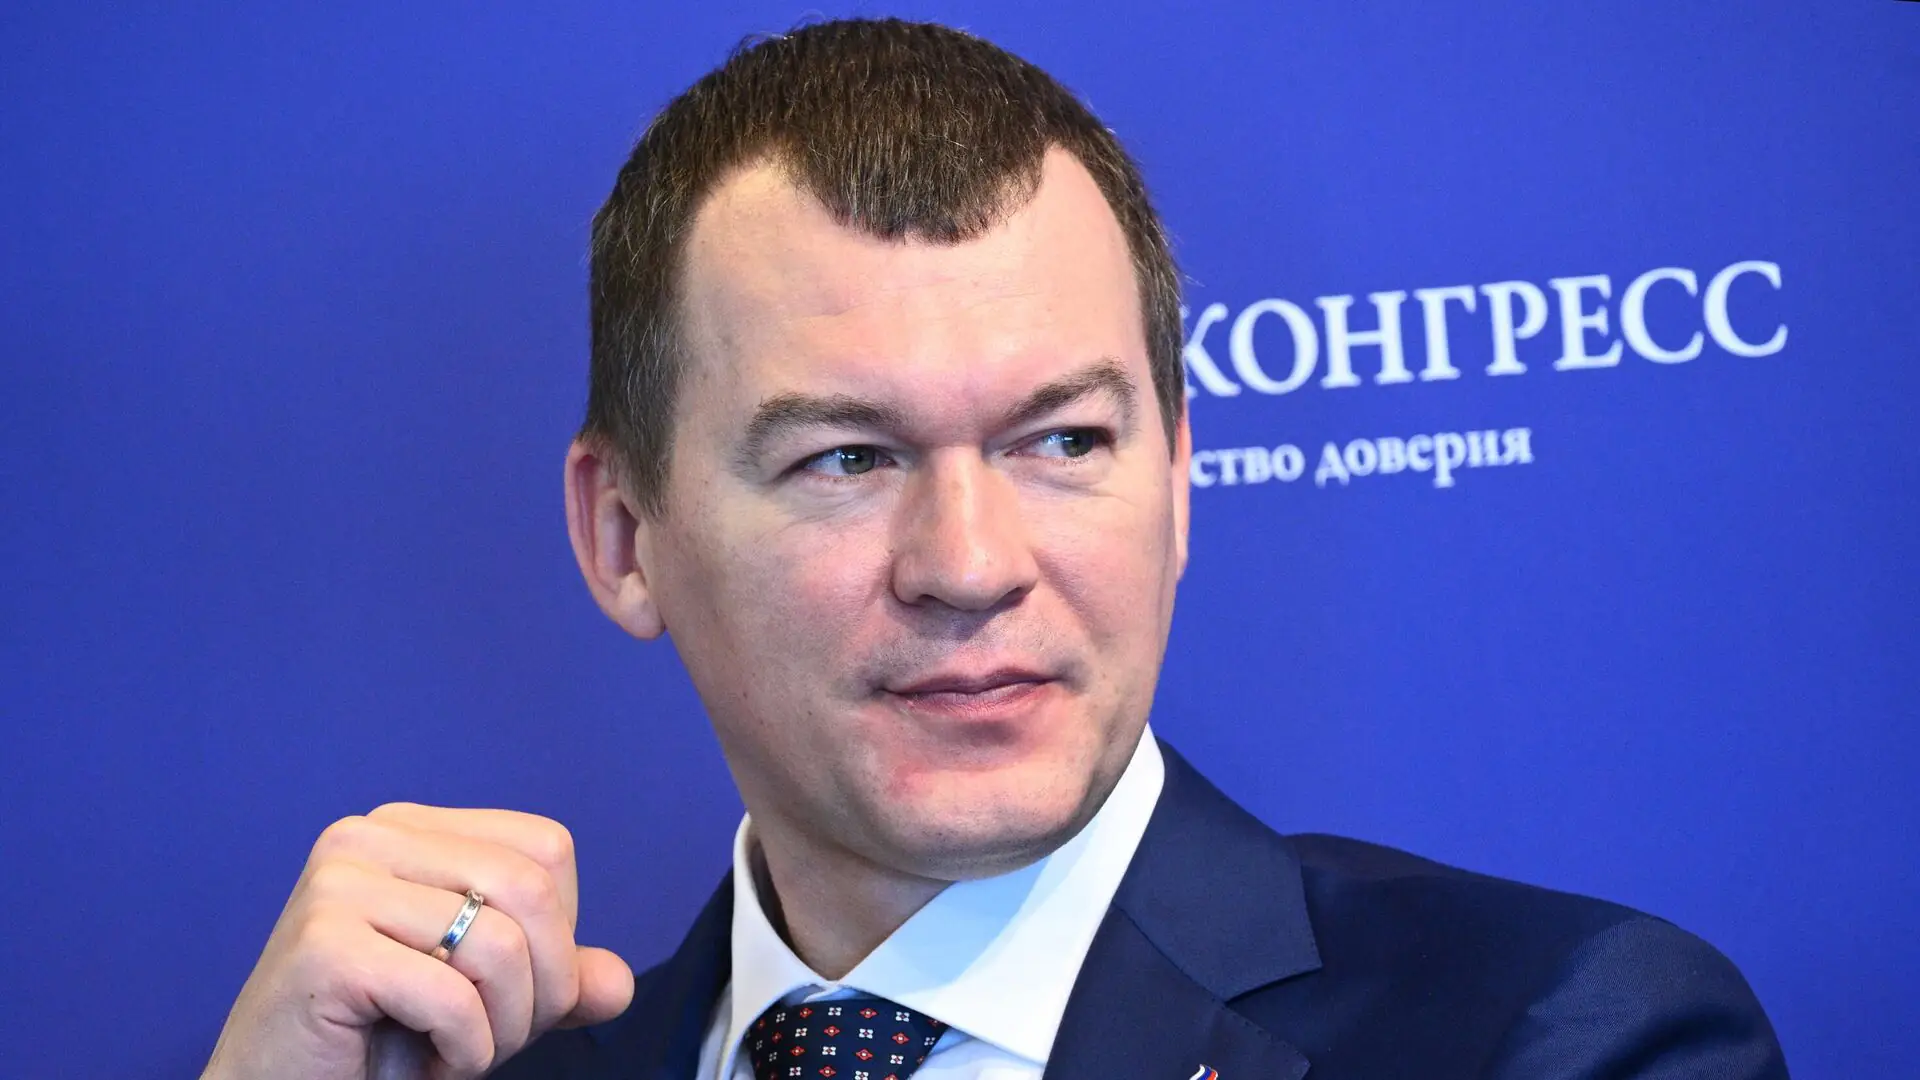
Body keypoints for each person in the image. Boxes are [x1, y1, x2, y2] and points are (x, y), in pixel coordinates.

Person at [200, 17, 1789, 1080]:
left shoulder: (1558, 1039)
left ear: (1179, 480)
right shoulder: (454, 1077)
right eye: (847, 457)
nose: (970, 564)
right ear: (625, 537)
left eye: (1062, 442)